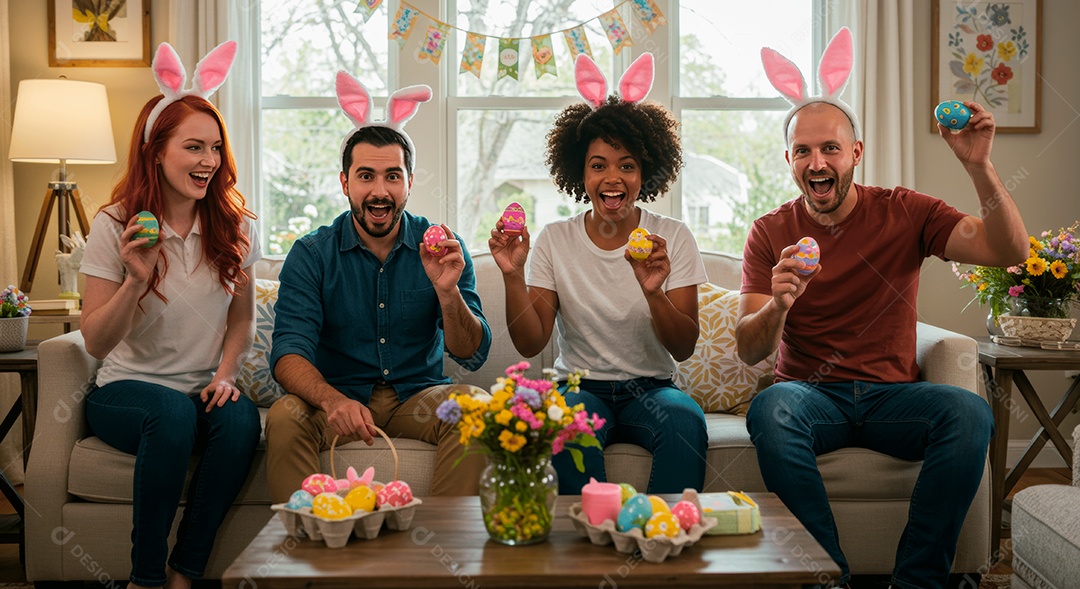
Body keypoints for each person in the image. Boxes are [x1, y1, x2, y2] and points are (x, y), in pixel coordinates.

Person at [738, 28, 1028, 589]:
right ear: (789, 160)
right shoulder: (770, 231)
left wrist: (979, 166)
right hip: (809, 396)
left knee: (970, 413)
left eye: (830, 148)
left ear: (856, 153)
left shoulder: (906, 212)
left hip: (893, 398)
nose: (817, 162)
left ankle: (917, 581)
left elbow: (1010, 251)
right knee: (771, 409)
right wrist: (778, 304)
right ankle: (829, 579)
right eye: (804, 151)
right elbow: (751, 350)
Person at [79, 41, 261, 589]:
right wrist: (136, 279)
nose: (209, 160)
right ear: (156, 151)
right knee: (173, 414)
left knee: (241, 420)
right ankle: (146, 578)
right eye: (193, 147)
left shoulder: (236, 226)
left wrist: (225, 375)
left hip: (200, 391)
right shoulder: (116, 224)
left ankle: (185, 573)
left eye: (215, 148)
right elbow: (95, 342)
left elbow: (241, 320)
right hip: (125, 393)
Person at [489, 53, 709, 495]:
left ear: (645, 173)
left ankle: (663, 529)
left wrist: (653, 292)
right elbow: (531, 343)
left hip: (653, 388)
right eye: (598, 165)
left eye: (627, 165)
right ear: (580, 172)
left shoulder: (673, 237)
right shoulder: (555, 239)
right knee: (565, 423)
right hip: (580, 388)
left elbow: (683, 347)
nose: (613, 178)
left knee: (685, 421)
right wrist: (513, 275)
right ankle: (590, 531)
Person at [265, 72, 492, 502]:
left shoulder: (444, 247)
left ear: (409, 182)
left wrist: (448, 293)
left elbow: (471, 353)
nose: (379, 191)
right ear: (345, 182)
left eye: (392, 176)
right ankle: (307, 539)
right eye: (366, 176)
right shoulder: (312, 254)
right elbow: (288, 353)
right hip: (338, 400)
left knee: (475, 407)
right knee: (283, 416)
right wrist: (332, 401)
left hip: (417, 399)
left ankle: (444, 541)